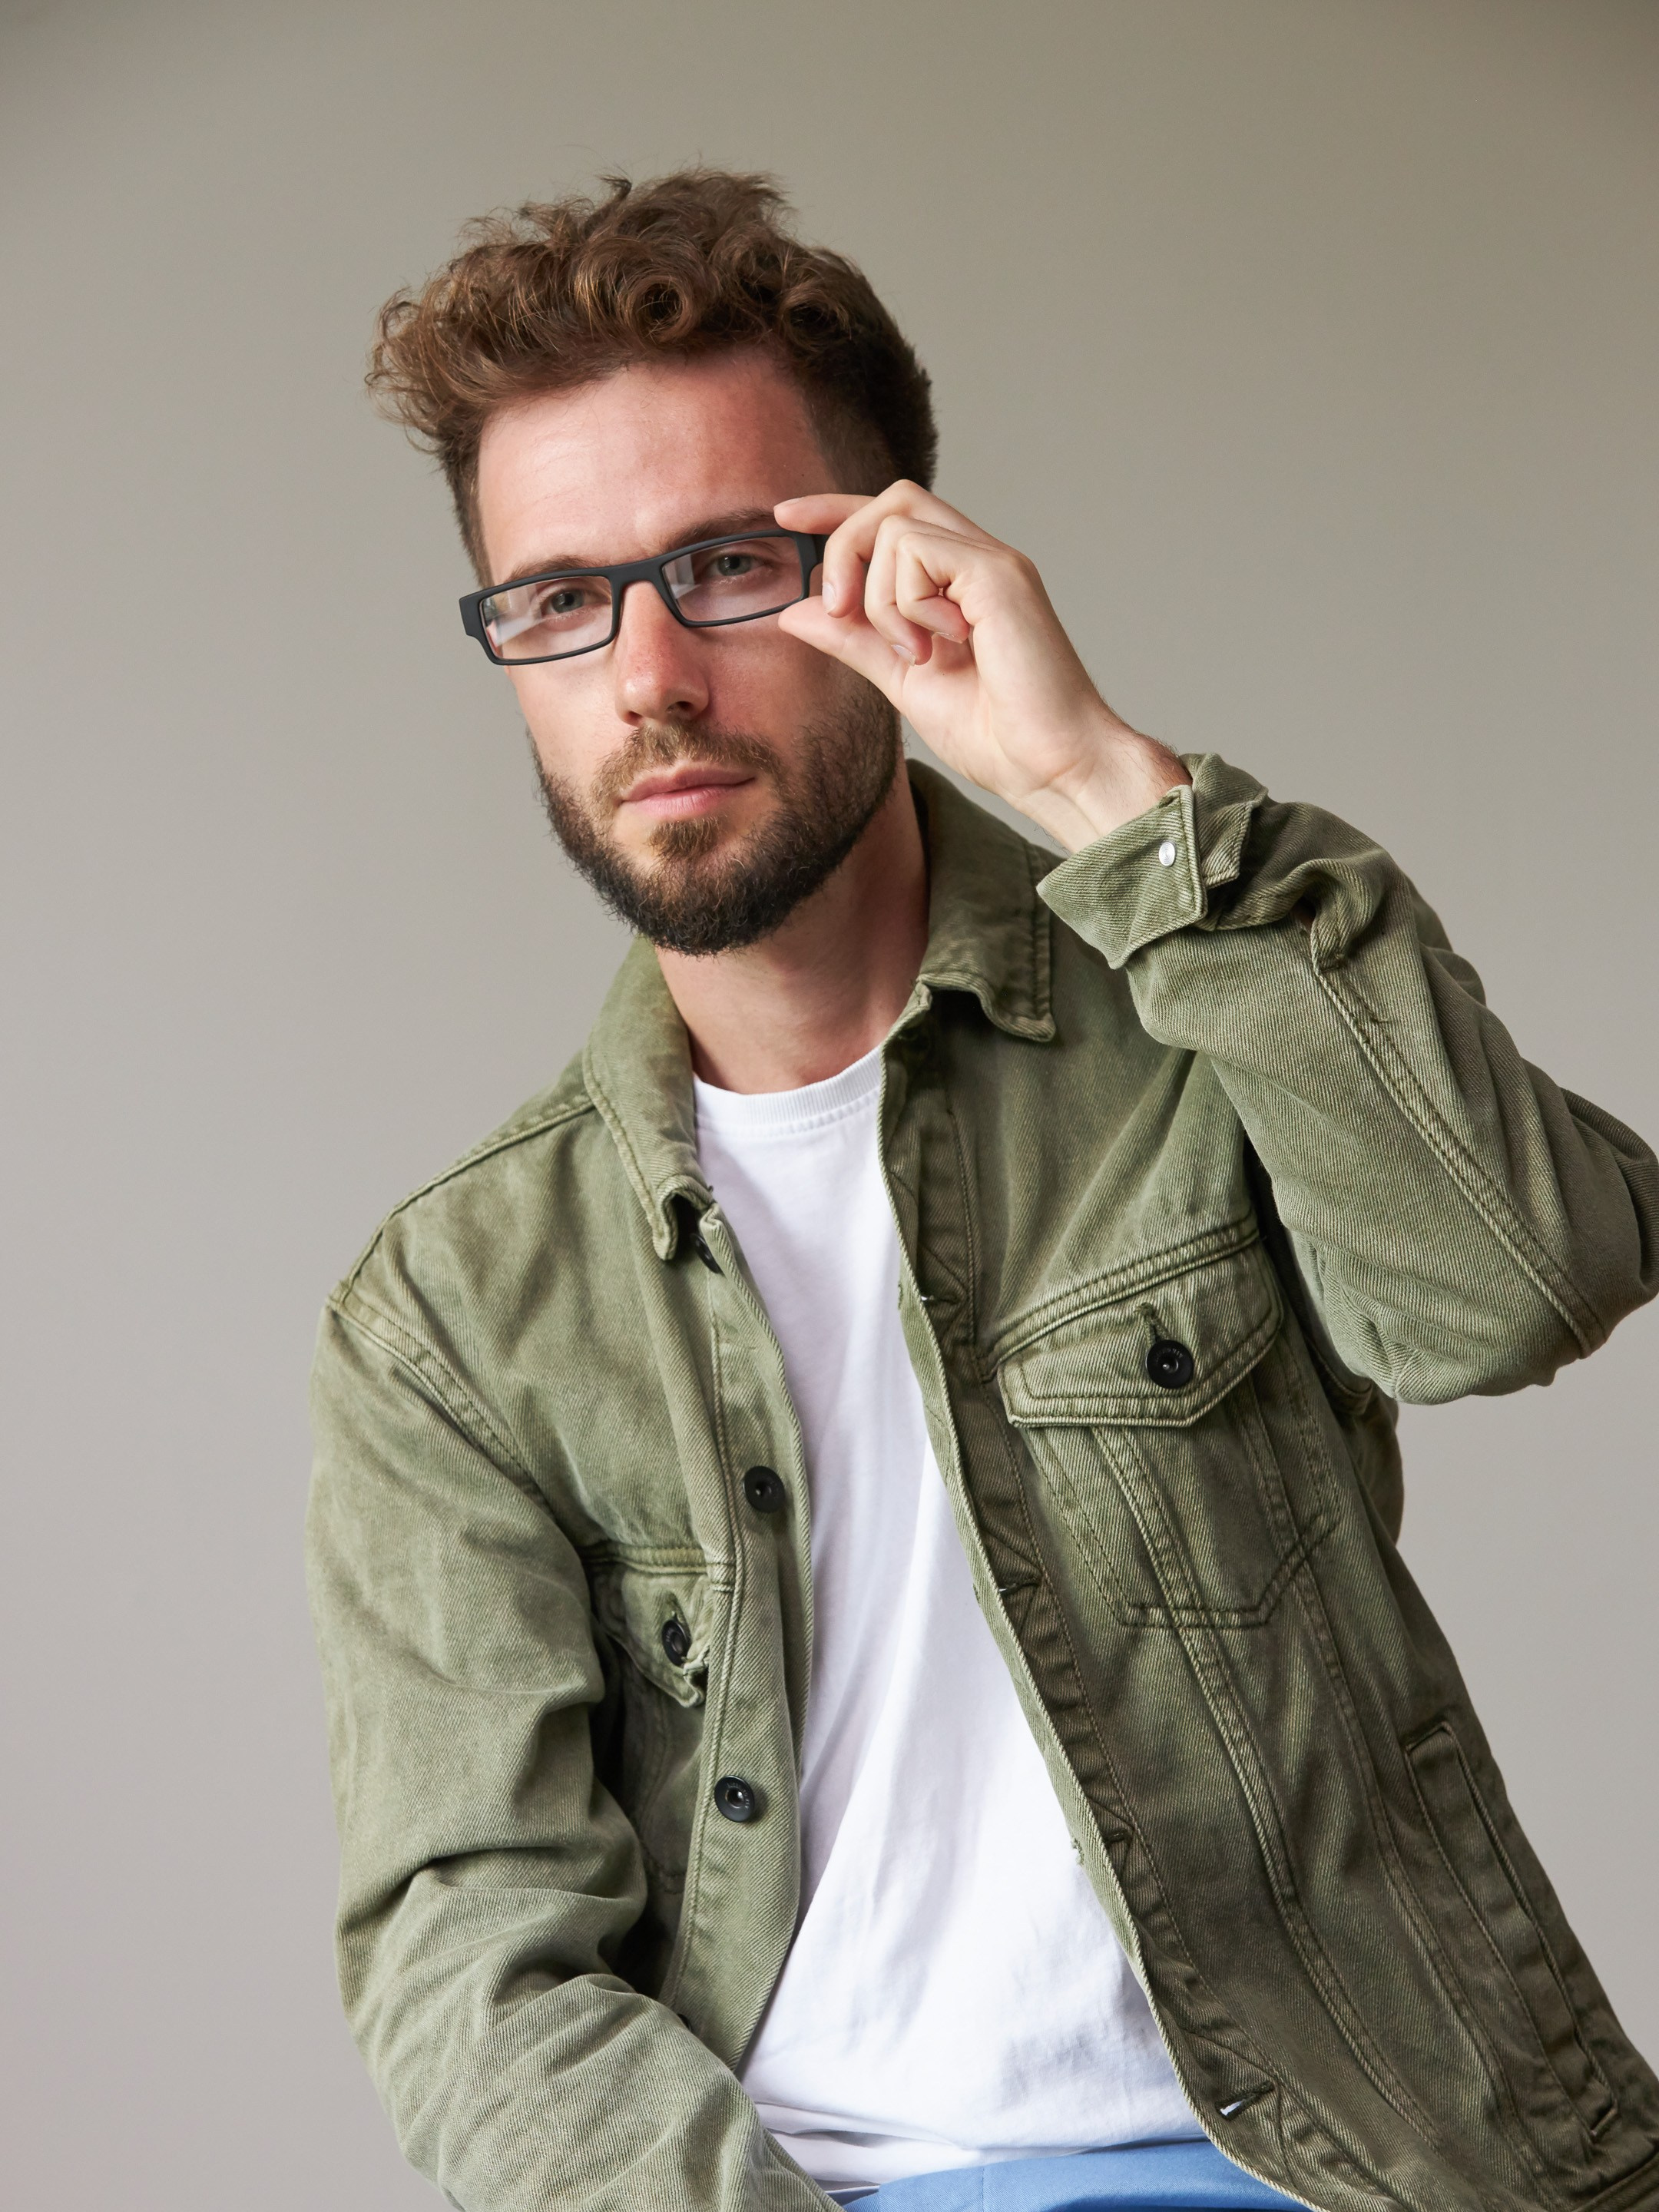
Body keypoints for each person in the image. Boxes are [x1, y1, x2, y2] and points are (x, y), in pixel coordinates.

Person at [305, 171, 1659, 2212]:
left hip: (1359, 2169)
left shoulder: (1207, 1002)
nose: (645, 675)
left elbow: (1517, 1282)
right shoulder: (457, 1312)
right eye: (561, 598)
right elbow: (474, 1958)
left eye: (728, 567)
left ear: (897, 565)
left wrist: (1104, 784)